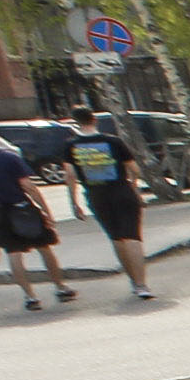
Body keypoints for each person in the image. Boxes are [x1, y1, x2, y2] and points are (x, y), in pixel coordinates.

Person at [0, 120, 75, 308]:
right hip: (21, 207)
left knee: (13, 252)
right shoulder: (9, 157)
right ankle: (60, 287)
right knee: (44, 247)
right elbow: (28, 185)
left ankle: (30, 297)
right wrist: (45, 210)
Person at [67, 113, 159, 299]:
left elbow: (69, 175)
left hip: (96, 194)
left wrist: (74, 202)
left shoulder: (71, 146)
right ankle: (142, 285)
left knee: (116, 238)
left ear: (76, 123)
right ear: (94, 120)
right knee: (133, 237)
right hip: (122, 191)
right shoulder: (113, 141)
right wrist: (134, 186)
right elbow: (134, 169)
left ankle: (133, 281)